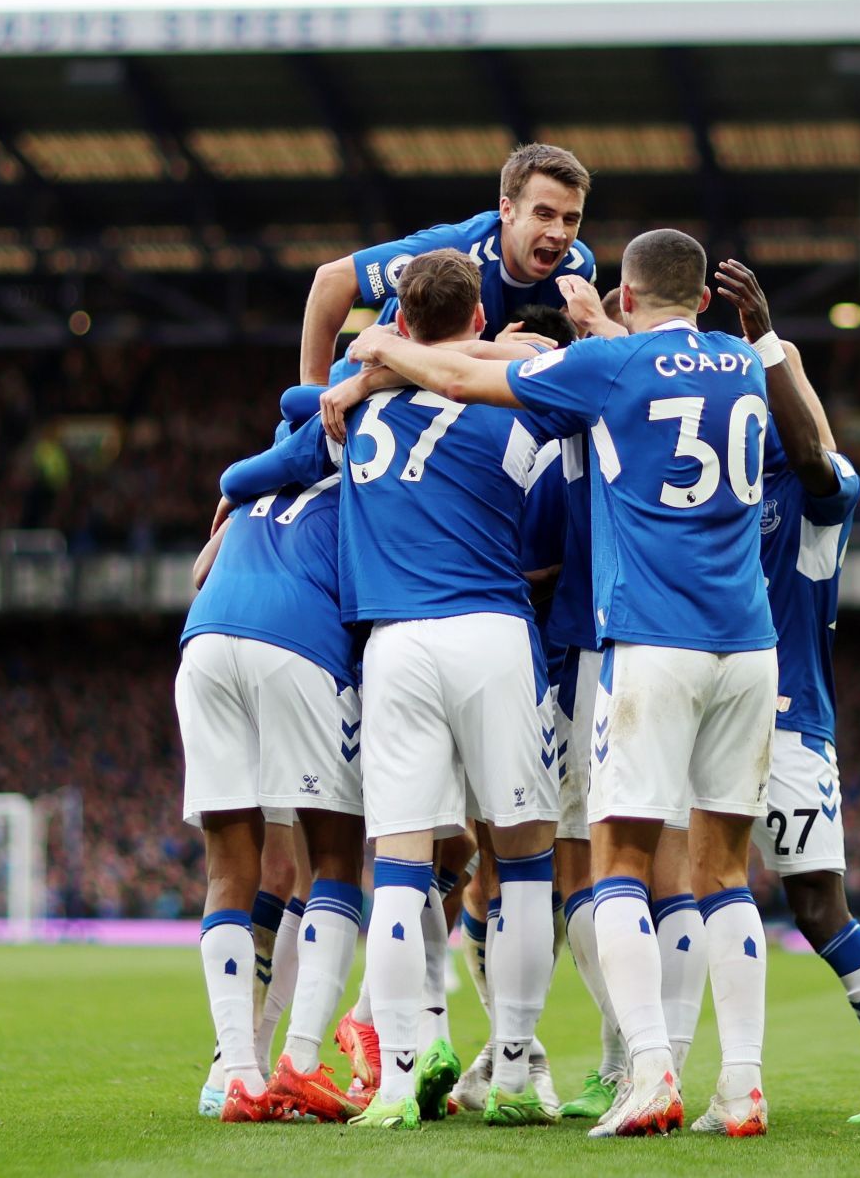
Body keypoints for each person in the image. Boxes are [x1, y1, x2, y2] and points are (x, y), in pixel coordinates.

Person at [345, 228, 778, 1139]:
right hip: (750, 641)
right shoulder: (742, 363)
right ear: (703, 299)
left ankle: (645, 1069)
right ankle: (738, 1084)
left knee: (609, 861)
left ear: (623, 296)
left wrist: (380, 349)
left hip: (649, 640)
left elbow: (466, 379)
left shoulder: (609, 372)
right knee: (721, 872)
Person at [222, 249, 562, 1130]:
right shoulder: (520, 404)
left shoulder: (352, 411)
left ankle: (401, 1075)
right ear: (481, 321)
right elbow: (545, 529)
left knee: (401, 870)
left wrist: (363, 368)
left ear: (398, 325)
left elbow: (287, 427)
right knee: (522, 860)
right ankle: (518, 1065)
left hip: (395, 647)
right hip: (491, 630)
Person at [716, 258, 860, 1125]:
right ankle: (654, 1071)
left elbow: (810, 448)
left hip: (788, 723)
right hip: (712, 708)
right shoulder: (729, 491)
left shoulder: (823, 489)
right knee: (678, 882)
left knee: (816, 905)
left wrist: (767, 338)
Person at [178, 459, 366, 1124]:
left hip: (205, 641)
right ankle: (300, 1061)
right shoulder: (375, 483)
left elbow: (200, 570)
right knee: (337, 861)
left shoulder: (260, 485)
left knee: (236, 868)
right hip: (296, 642)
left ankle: (237, 1071)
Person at [297, 144, 595, 385]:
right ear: (507, 210)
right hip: (358, 390)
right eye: (544, 214)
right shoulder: (454, 249)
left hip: (454, 398)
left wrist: (500, 353)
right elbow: (333, 279)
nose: (559, 233)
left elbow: (557, 363)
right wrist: (312, 390)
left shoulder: (578, 268)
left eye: (571, 219)